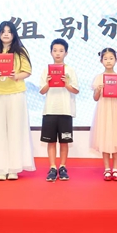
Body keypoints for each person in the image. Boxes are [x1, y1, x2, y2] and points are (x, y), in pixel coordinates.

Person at [0, 21, 35, 181]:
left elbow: (27, 71)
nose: (6, 34)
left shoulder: (21, 51)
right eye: (3, 31)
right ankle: (0, 168)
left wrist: (15, 76)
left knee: (15, 130)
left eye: (9, 31)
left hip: (16, 93)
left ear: (14, 34)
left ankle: (14, 168)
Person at [39, 39, 79, 182]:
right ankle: (52, 167)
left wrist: (66, 84)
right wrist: (48, 83)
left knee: (64, 141)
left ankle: (62, 167)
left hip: (65, 111)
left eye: (61, 51)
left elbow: (76, 90)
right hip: (49, 110)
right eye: (55, 50)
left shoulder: (70, 70)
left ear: (66, 53)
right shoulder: (46, 70)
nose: (58, 53)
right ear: (51, 52)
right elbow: (42, 91)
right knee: (50, 142)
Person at [90, 48, 117, 181]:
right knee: (104, 137)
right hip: (103, 109)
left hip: (116, 109)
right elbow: (95, 98)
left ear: (116, 60)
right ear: (101, 61)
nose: (108, 61)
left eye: (111, 58)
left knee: (116, 138)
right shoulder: (98, 78)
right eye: (105, 59)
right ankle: (107, 169)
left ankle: (115, 169)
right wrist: (98, 89)